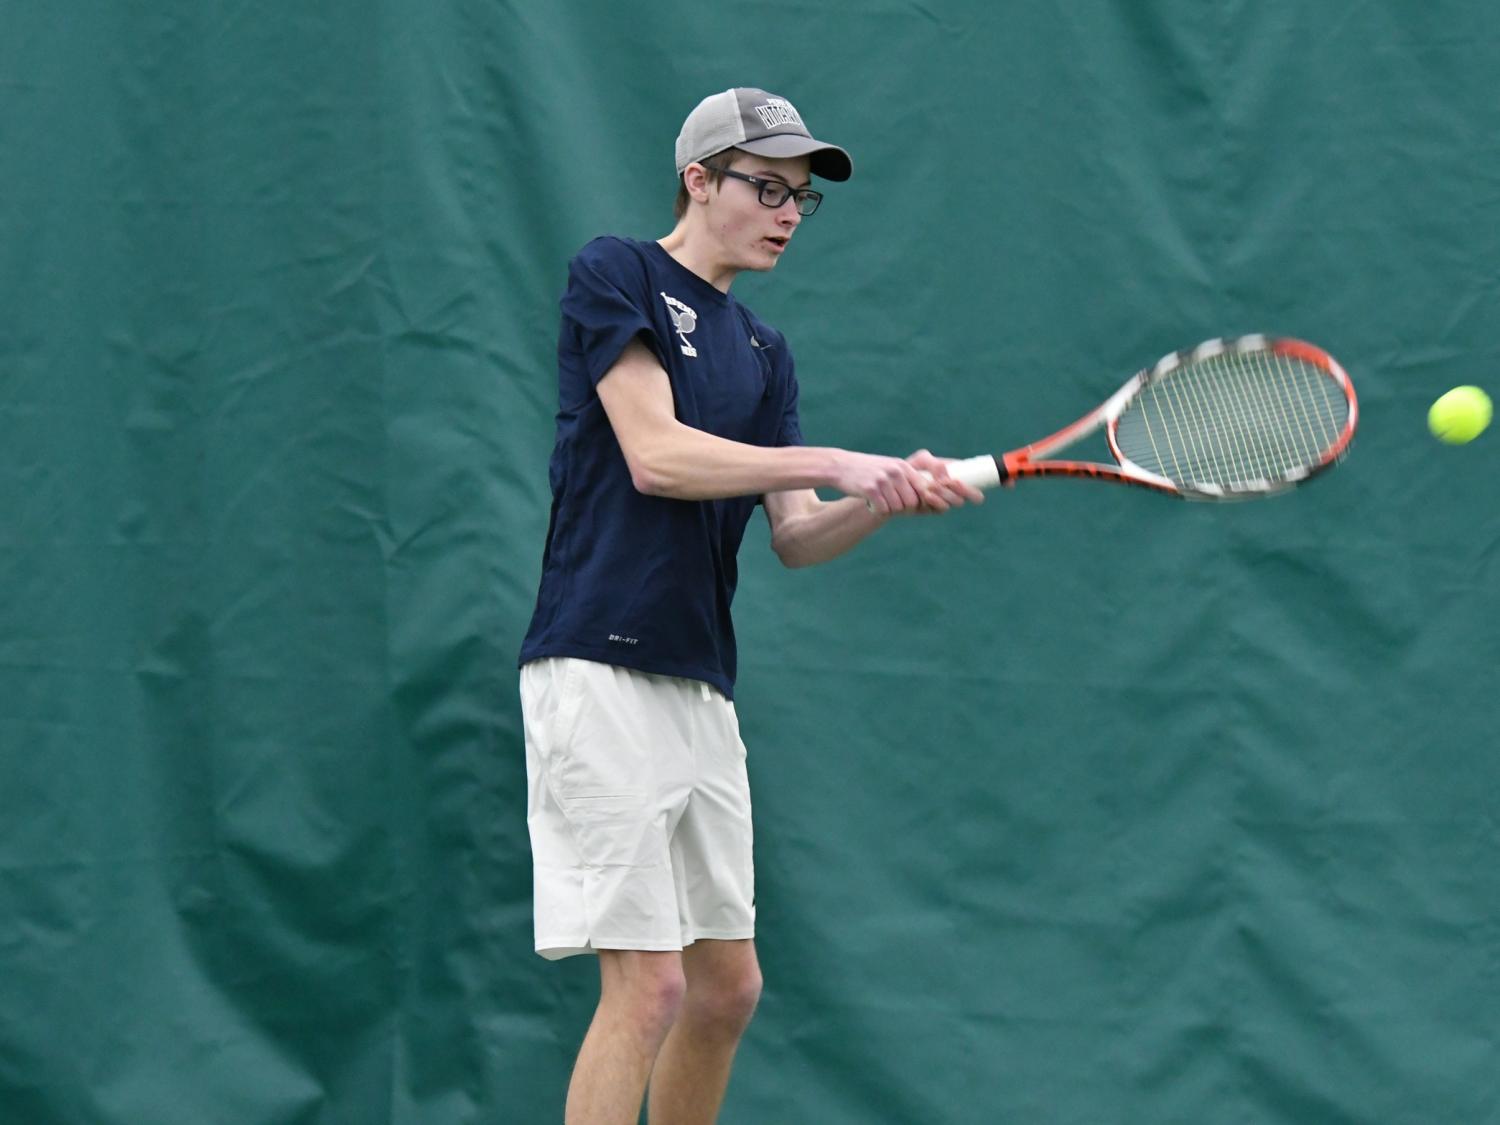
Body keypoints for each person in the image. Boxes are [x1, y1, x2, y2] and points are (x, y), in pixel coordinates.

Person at [518, 86, 984, 1124]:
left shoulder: (766, 352)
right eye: (767, 188)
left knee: (726, 989)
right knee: (649, 988)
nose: (786, 213)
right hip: (597, 666)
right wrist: (839, 460)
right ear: (698, 180)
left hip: (698, 683)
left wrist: (882, 499)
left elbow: (796, 534)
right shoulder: (616, 272)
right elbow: (655, 456)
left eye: (801, 199)